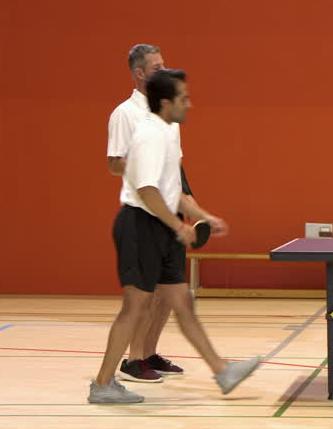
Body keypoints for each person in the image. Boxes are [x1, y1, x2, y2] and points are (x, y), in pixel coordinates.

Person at [88, 68, 260, 403]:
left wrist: (203, 216)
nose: (190, 104)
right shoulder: (150, 135)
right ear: (166, 103)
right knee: (134, 308)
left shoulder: (167, 132)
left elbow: (172, 191)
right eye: (184, 98)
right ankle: (103, 384)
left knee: (182, 302)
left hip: (159, 227)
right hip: (140, 226)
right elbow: (148, 190)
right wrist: (177, 226)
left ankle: (222, 371)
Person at [106, 43, 189, 383]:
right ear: (139, 73)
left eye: (164, 65)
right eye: (156, 67)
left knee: (169, 292)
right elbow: (114, 164)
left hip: (170, 211)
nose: (163, 71)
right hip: (143, 212)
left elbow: (175, 166)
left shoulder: (168, 114)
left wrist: (188, 202)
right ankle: (132, 360)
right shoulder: (125, 113)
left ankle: (149, 352)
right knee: (144, 294)